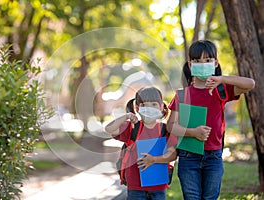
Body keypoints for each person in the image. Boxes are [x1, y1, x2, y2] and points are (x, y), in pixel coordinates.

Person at [167, 40, 255, 200]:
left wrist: (222, 79)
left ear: (215, 63)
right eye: (197, 61)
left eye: (207, 60)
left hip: (213, 156)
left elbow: (250, 84)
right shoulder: (182, 95)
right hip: (188, 156)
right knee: (192, 197)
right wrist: (193, 132)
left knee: (210, 197)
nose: (202, 64)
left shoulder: (221, 90)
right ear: (190, 64)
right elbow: (171, 126)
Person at [105, 86, 177, 200]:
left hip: (158, 185)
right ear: (137, 108)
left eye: (154, 104)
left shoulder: (165, 129)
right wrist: (126, 116)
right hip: (135, 186)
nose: (149, 108)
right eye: (144, 105)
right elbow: (109, 129)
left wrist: (153, 160)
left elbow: (173, 155)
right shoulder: (132, 127)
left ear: (162, 106)